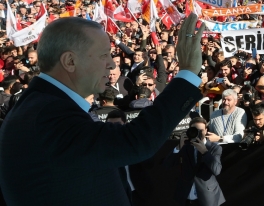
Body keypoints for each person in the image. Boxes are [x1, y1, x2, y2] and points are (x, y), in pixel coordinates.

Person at [0, 14, 205, 205]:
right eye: (104, 55)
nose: (110, 64)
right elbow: (135, 141)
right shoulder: (47, 114)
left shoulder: (42, 105)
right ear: (70, 61)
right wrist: (187, 74)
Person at [164, 116, 225, 206]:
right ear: (190, 131)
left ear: (206, 130)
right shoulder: (184, 146)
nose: (198, 133)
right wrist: (178, 147)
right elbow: (167, 165)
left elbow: (216, 170)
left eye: (201, 130)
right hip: (186, 195)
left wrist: (204, 152)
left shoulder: (214, 148)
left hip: (207, 195)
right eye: (195, 130)